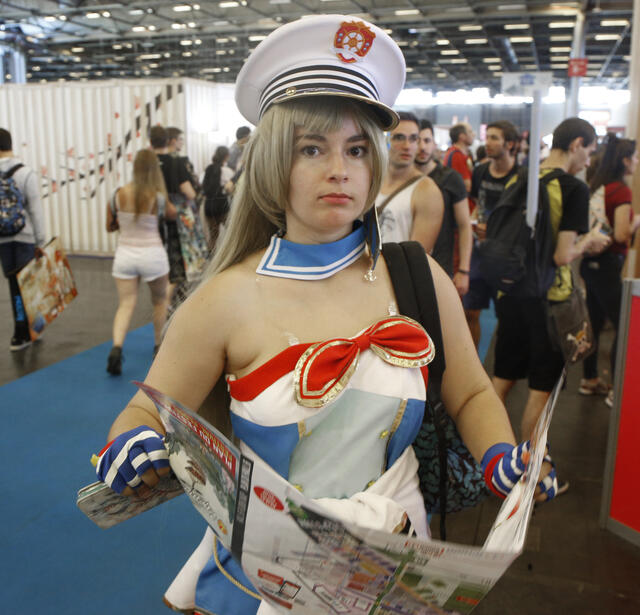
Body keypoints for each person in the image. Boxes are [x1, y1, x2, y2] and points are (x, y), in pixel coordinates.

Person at [94, 15, 557, 615]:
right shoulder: (221, 300)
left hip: (400, 563)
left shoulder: (418, 276)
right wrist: (130, 443)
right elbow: (144, 409)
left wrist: (502, 460)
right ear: (272, 161)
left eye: (357, 148)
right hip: (265, 580)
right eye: (312, 147)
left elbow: (468, 390)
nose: (340, 168)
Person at [491, 117, 611, 494]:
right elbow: (562, 255)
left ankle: (480, 457)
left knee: (502, 379)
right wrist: (589, 241)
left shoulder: (522, 177)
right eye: (589, 152)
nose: (588, 162)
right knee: (541, 392)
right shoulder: (573, 188)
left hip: (511, 295)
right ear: (577, 144)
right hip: (550, 302)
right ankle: (534, 474)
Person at [580, 134, 640, 407]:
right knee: (623, 325)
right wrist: (636, 221)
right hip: (606, 266)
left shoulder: (599, 185)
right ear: (626, 161)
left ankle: (590, 379)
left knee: (594, 321)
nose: (637, 163)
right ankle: (618, 389)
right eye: (636, 158)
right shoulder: (622, 191)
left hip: (590, 265)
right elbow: (621, 233)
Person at [105, 149, 177, 374]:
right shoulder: (157, 196)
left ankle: (116, 348)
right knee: (159, 302)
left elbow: (109, 226)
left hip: (125, 256)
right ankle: (158, 347)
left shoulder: (117, 194)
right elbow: (173, 214)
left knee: (125, 304)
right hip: (152, 256)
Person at [463, 120, 520, 347]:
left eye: (495, 138)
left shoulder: (521, 176)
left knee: (508, 317)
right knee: (470, 313)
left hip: (507, 254)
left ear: (511, 144)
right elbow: (477, 203)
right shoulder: (480, 172)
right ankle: (473, 365)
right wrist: (473, 222)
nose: (488, 143)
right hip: (478, 252)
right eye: (488, 137)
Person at [0, 128, 46, 351]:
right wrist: (41, 241)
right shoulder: (26, 172)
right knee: (29, 284)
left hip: (4, 241)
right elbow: (36, 210)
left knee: (14, 287)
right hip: (25, 237)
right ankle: (34, 328)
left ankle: (19, 334)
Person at [415, 119, 472, 295]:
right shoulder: (397, 179)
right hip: (406, 267)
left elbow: (464, 226)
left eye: (427, 140)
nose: (422, 147)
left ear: (434, 143)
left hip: (441, 266)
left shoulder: (450, 179)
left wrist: (463, 270)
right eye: (416, 140)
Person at [376, 112, 444, 254]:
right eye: (399, 138)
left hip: (396, 274)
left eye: (413, 139)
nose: (407, 146)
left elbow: (417, 258)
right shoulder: (371, 181)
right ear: (385, 140)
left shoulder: (427, 191)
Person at [150, 125, 196, 299]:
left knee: (159, 266)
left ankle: (161, 301)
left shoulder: (147, 164)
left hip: (152, 220)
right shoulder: (177, 162)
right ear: (170, 141)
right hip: (175, 219)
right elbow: (189, 191)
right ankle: (167, 303)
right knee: (177, 266)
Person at [202, 145, 233, 250]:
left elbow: (204, 188)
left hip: (209, 207)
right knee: (232, 233)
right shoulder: (227, 171)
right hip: (222, 206)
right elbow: (230, 189)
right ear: (227, 156)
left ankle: (212, 258)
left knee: (213, 235)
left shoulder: (208, 168)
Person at [444, 122, 475, 193]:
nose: (474, 134)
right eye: (470, 131)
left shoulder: (458, 153)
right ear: (462, 136)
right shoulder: (457, 156)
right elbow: (467, 187)